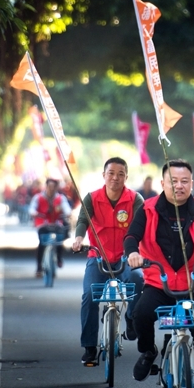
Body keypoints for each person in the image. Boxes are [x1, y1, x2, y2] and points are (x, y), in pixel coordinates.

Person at [126, 159, 194, 388]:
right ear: (163, 184)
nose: (179, 186)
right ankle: (149, 352)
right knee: (141, 313)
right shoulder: (148, 209)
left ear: (192, 183)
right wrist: (133, 253)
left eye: (184, 181)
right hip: (158, 283)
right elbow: (132, 236)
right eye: (173, 181)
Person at [71, 157, 146, 367]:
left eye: (120, 174)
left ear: (126, 177)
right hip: (98, 256)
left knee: (138, 280)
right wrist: (78, 238)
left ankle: (131, 317)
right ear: (104, 175)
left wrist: (143, 251)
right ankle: (89, 347)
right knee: (89, 296)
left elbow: (142, 226)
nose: (115, 178)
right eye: (111, 173)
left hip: (126, 256)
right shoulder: (92, 198)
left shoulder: (135, 199)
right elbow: (82, 221)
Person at [29, 178, 72, 277]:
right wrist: (34, 213)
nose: (51, 189)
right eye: (49, 187)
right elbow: (32, 208)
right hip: (42, 224)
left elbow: (66, 208)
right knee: (42, 244)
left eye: (54, 187)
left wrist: (68, 213)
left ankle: (59, 258)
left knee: (59, 241)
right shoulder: (38, 197)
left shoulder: (61, 198)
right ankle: (39, 267)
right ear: (46, 186)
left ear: (57, 188)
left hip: (56, 224)